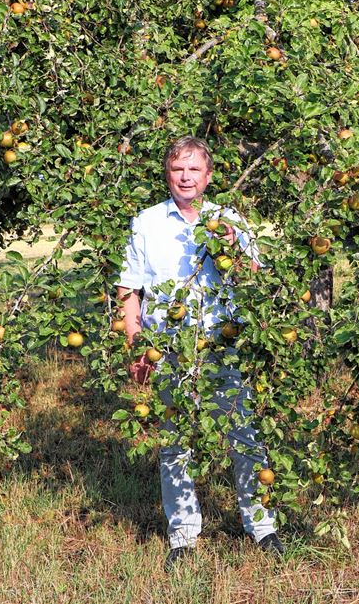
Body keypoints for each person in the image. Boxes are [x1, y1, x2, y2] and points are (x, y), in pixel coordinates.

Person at [116, 136, 284, 572]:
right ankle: (183, 533)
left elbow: (255, 278)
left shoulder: (227, 220)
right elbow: (129, 289)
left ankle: (261, 526)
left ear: (208, 176)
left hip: (222, 344)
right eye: (177, 170)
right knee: (175, 441)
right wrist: (135, 345)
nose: (185, 177)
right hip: (168, 348)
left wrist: (232, 245)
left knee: (243, 434)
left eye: (194, 170)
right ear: (167, 175)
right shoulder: (147, 223)